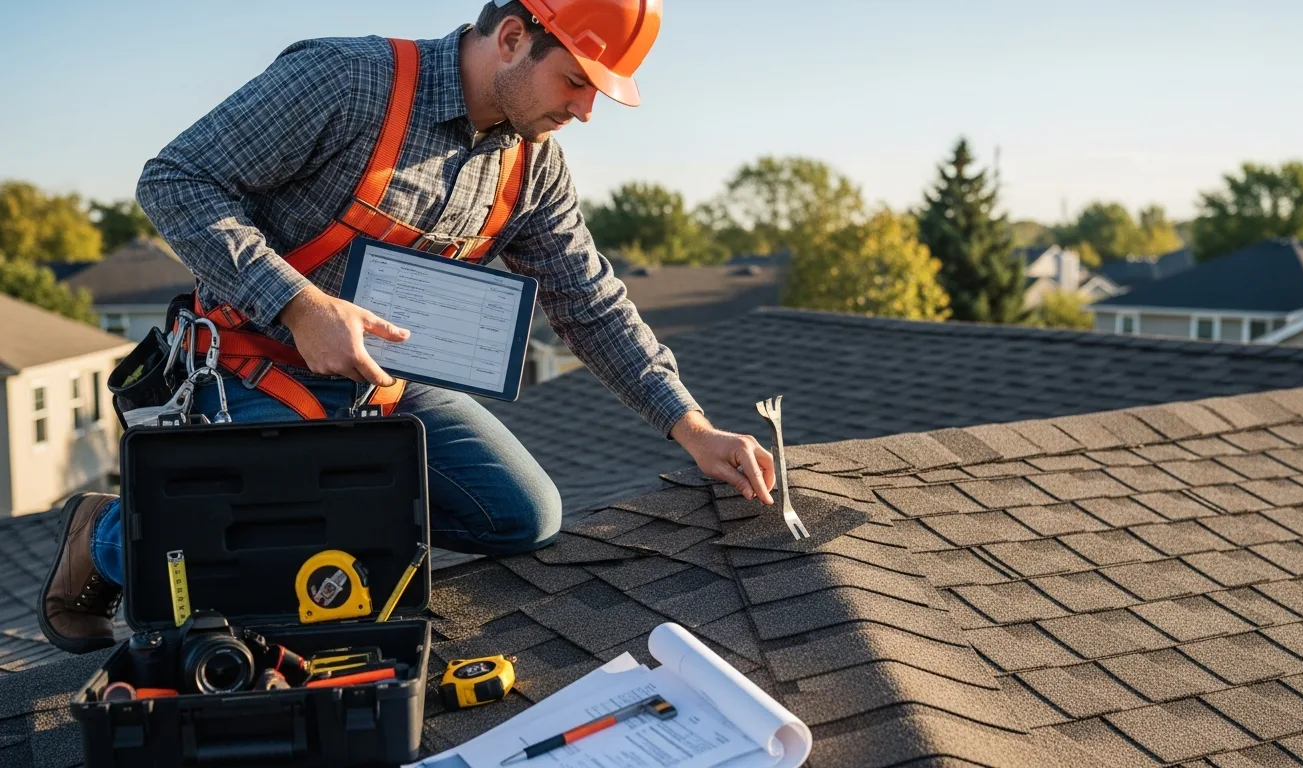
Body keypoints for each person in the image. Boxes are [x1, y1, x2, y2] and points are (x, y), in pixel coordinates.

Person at [40, 0, 776, 655]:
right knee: (273, 566)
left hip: (388, 386)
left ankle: (332, 516)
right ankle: (104, 537)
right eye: (577, 81)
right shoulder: (347, 80)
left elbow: (588, 299)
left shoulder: (532, 166)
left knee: (524, 516)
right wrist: (299, 306)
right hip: (252, 364)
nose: (585, 111)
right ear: (515, 36)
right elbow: (175, 179)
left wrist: (691, 425)